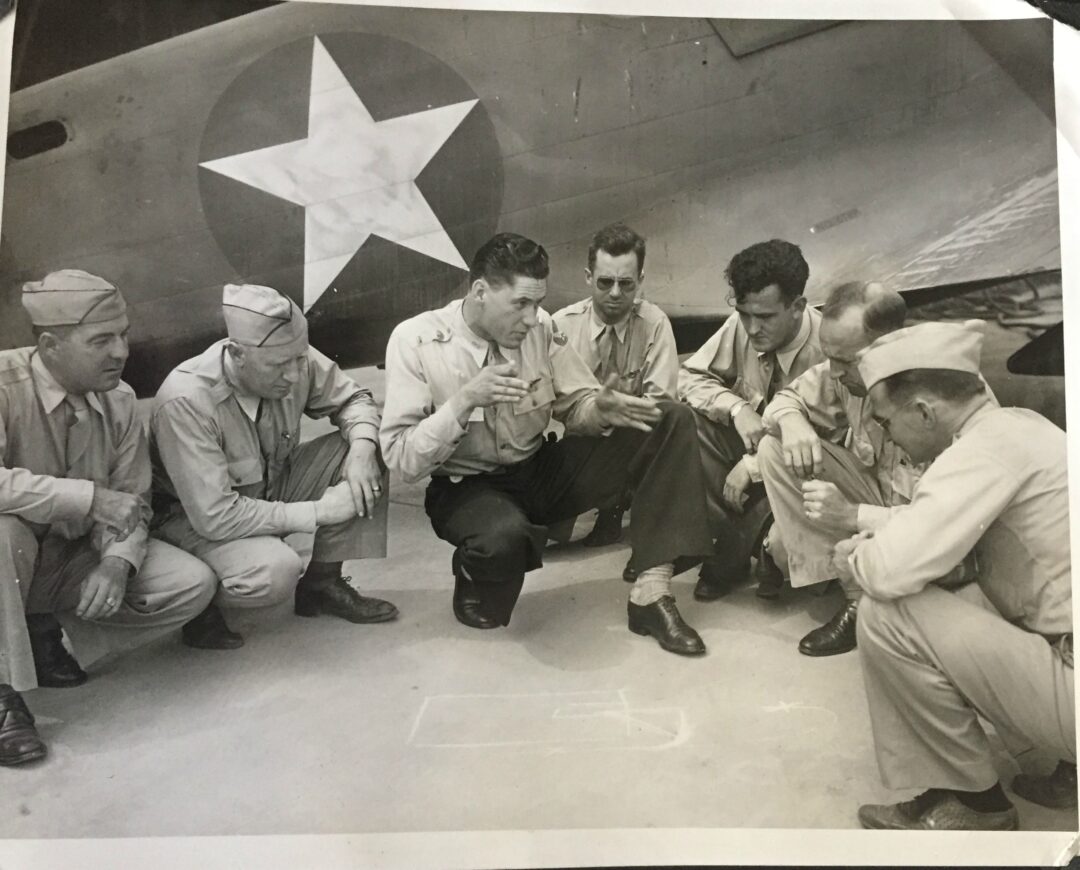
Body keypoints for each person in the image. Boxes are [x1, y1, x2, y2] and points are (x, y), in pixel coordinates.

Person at [381, 233, 713, 655]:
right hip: (468, 488)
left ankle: (651, 591)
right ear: (480, 292)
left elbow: (577, 406)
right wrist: (464, 401)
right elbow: (402, 460)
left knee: (668, 419)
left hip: (539, 471)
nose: (532, 317)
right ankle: (475, 563)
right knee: (503, 547)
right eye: (520, 304)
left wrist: (601, 411)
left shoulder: (541, 329)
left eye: (538, 303)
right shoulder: (415, 340)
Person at [837, 320, 1073, 830]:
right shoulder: (1020, 427)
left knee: (888, 612)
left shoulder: (977, 453)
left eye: (885, 421)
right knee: (963, 588)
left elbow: (888, 572)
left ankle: (975, 805)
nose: (885, 435)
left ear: (923, 411)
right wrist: (872, 525)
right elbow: (942, 525)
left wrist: (854, 558)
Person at [0, 270, 217, 766]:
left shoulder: (118, 401)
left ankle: (45, 633)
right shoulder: (3, 386)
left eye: (123, 335)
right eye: (101, 340)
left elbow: (132, 499)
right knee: (2, 531)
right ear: (50, 345)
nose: (121, 351)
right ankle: (3, 693)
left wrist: (116, 563)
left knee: (191, 583)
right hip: (10, 559)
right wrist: (88, 498)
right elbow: (104, 499)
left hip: (65, 562)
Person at [150, 283, 396, 650]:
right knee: (274, 571)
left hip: (267, 488)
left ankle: (321, 585)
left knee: (374, 448)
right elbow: (215, 516)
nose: (295, 375)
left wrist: (361, 449)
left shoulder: (290, 354)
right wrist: (318, 512)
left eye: (299, 360)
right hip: (193, 521)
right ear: (236, 354)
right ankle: (199, 603)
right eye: (280, 366)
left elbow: (355, 398)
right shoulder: (187, 401)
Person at [756, 281, 915, 656]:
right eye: (831, 359)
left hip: (920, 524)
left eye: (847, 361)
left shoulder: (933, 399)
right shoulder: (847, 373)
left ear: (891, 344)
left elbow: (943, 520)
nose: (836, 373)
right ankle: (842, 579)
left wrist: (852, 515)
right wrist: (793, 423)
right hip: (879, 501)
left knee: (780, 546)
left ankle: (862, 601)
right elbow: (784, 403)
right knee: (774, 445)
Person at [678, 239, 823, 601]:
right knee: (683, 421)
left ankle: (750, 548)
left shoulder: (828, 346)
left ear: (798, 306)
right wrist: (736, 408)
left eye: (766, 317)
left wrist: (754, 466)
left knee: (800, 565)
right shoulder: (743, 325)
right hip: (750, 455)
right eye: (744, 313)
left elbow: (835, 444)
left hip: (801, 474)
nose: (752, 328)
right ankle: (734, 543)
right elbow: (688, 377)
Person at [552, 222, 677, 547]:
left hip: (633, 442)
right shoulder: (561, 326)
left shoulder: (654, 324)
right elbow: (555, 406)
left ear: (641, 281)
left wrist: (620, 413)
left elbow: (660, 406)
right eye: (605, 282)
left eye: (627, 284)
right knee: (542, 536)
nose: (616, 294)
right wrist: (598, 411)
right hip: (580, 440)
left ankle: (618, 504)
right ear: (588, 277)